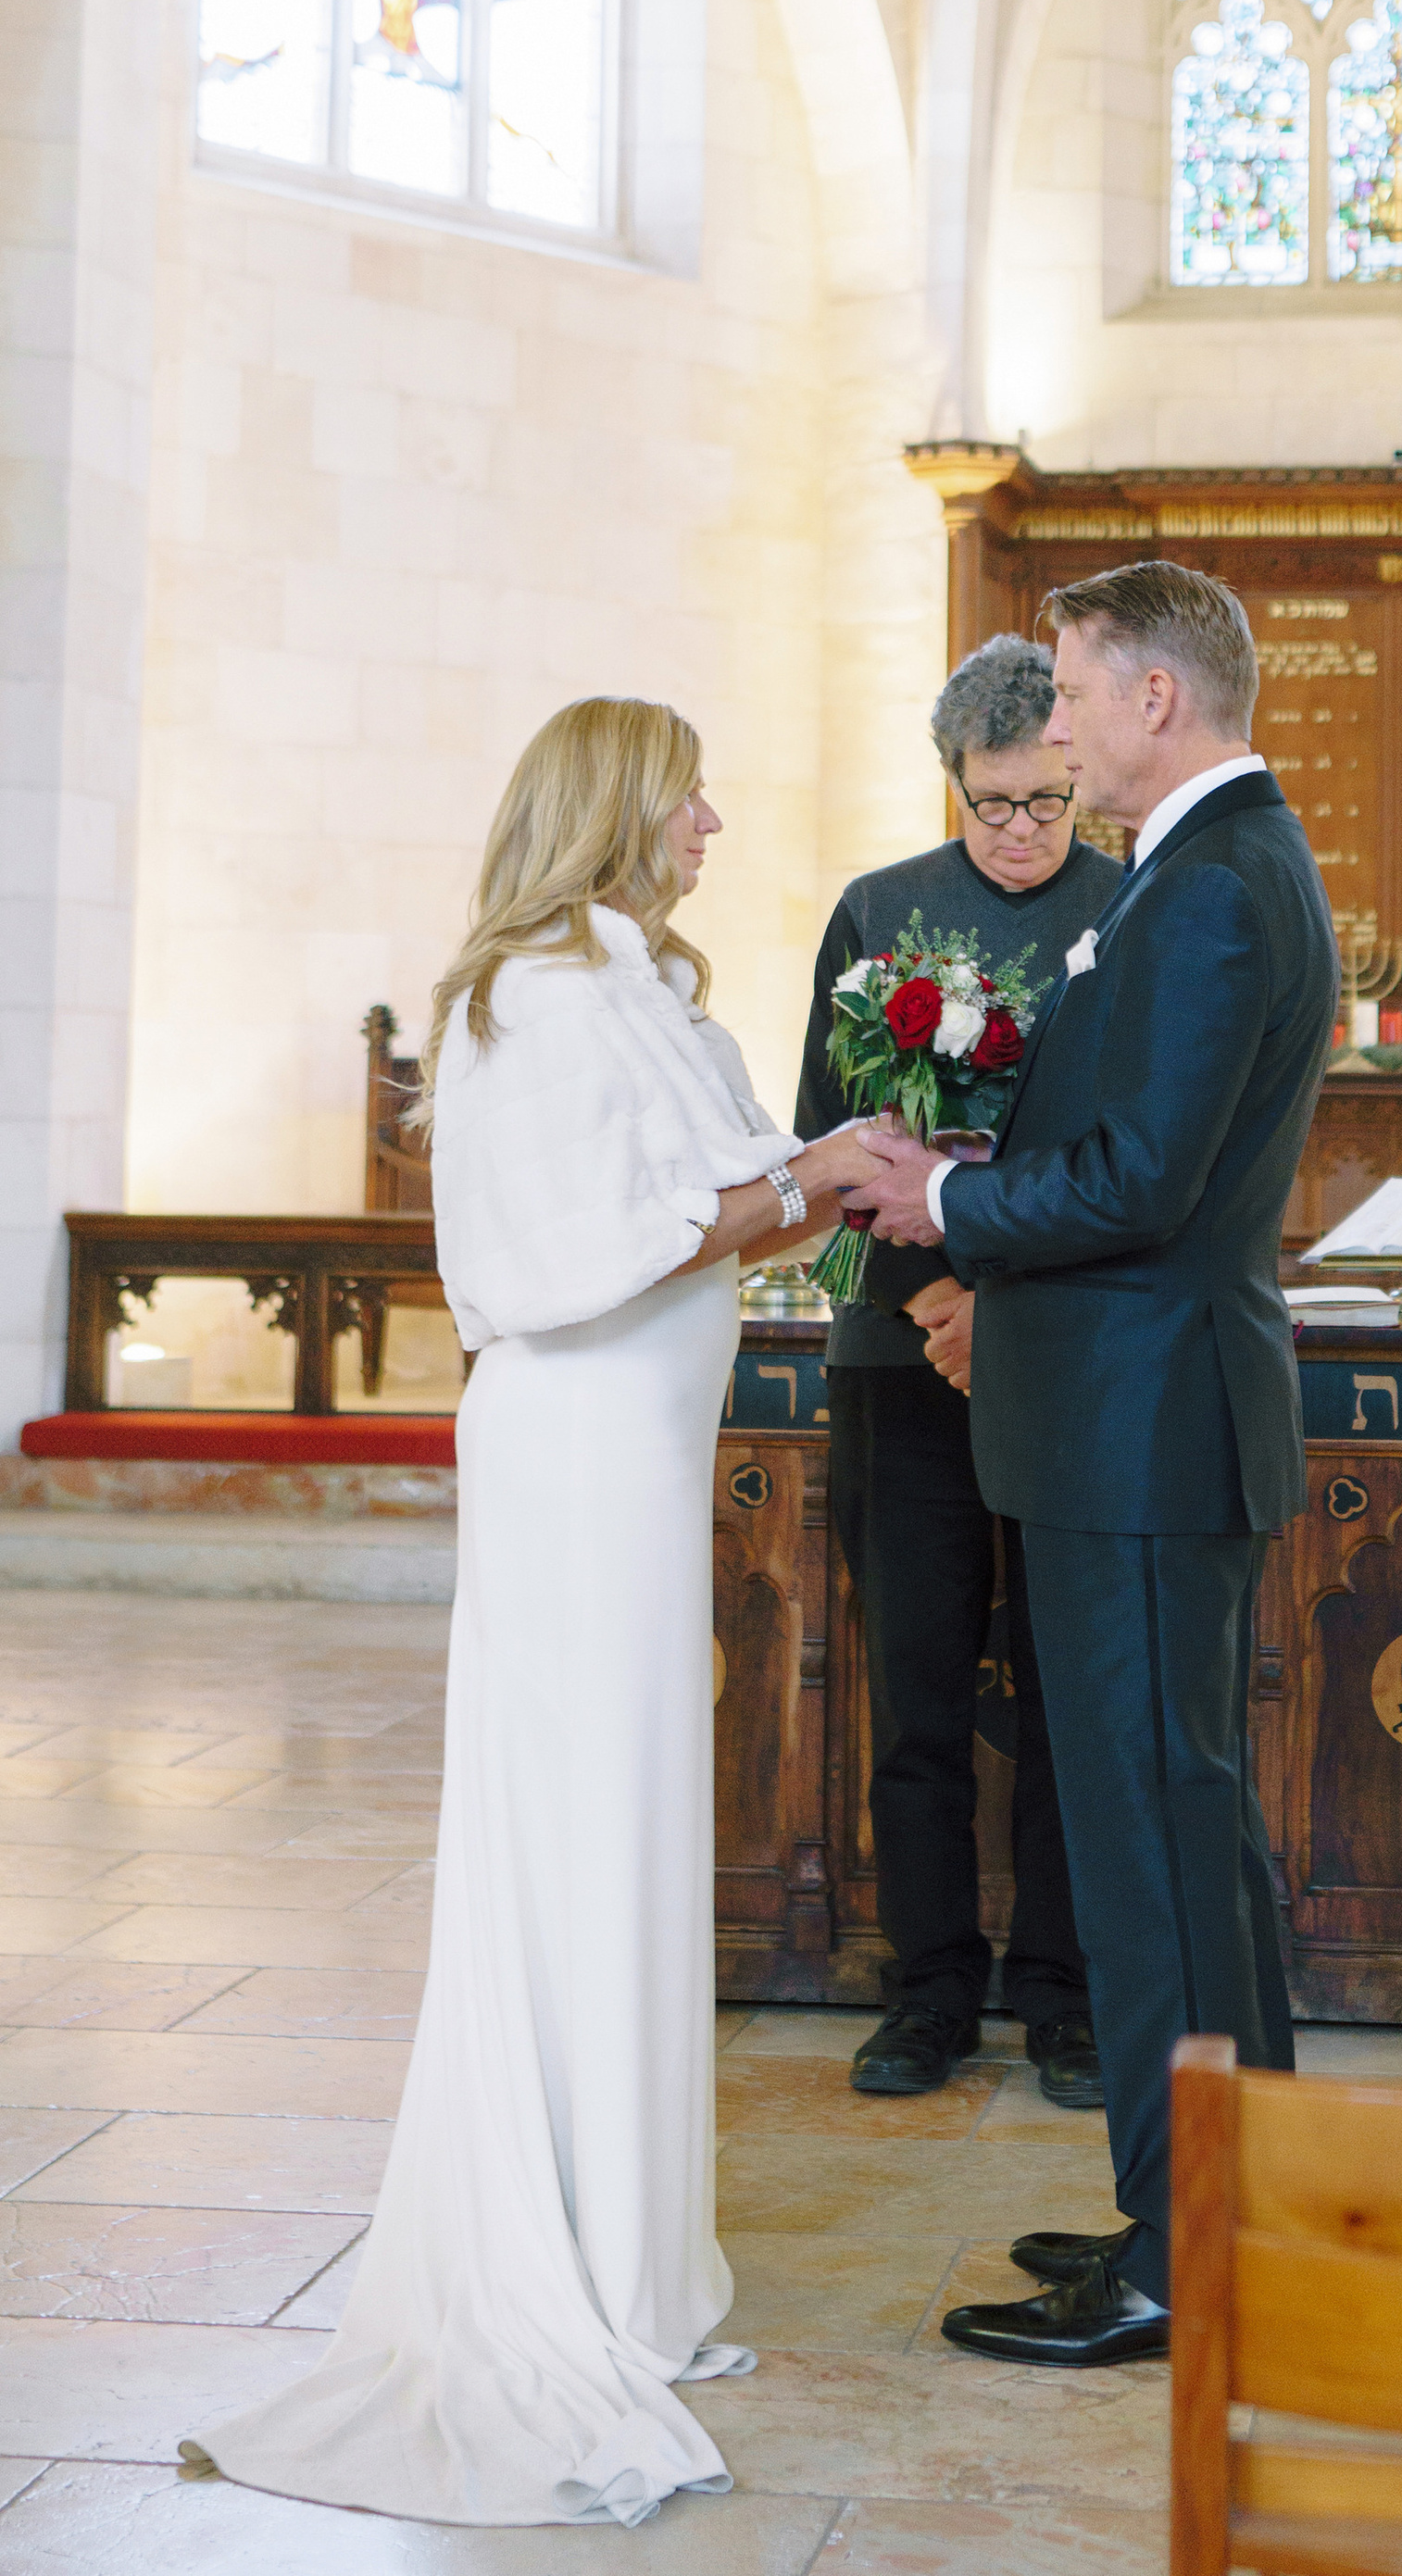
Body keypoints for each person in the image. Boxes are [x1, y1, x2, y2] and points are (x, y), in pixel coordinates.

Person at [187, 698, 885, 2528]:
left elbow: (727, 1208)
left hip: (638, 1460)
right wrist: (814, 1172)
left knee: (630, 1832)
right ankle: (551, 2262)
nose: (713, 823)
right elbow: (580, 1253)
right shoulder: (541, 998)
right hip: (575, 1457)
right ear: (616, 809)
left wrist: (837, 1171)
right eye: (688, 796)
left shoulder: (637, 991)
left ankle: (627, 2260)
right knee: (575, 1833)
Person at [859, 561, 1337, 2370]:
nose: (1050, 726)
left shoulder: (1210, 884)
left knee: (1153, 1848)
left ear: (1153, 697)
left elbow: (1144, 1180)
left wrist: (949, 1199)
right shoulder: (1211, 866)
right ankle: (1218, 2205)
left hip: (1139, 1432)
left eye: (1068, 691)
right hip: (1134, 1415)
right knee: (1182, 1833)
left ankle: (1186, 2257)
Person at [799, 636, 1120, 2105]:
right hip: (895, 1348)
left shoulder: (1129, 911)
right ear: (952, 783)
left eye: (1046, 802)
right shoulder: (877, 912)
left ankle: (1062, 1991)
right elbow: (824, 1146)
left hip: (1065, 1357)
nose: (1020, 831)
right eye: (992, 804)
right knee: (915, 1688)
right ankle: (926, 1990)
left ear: (1078, 778)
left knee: (1067, 1690)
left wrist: (1012, 1313)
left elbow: (1131, 1158)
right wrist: (938, 1300)